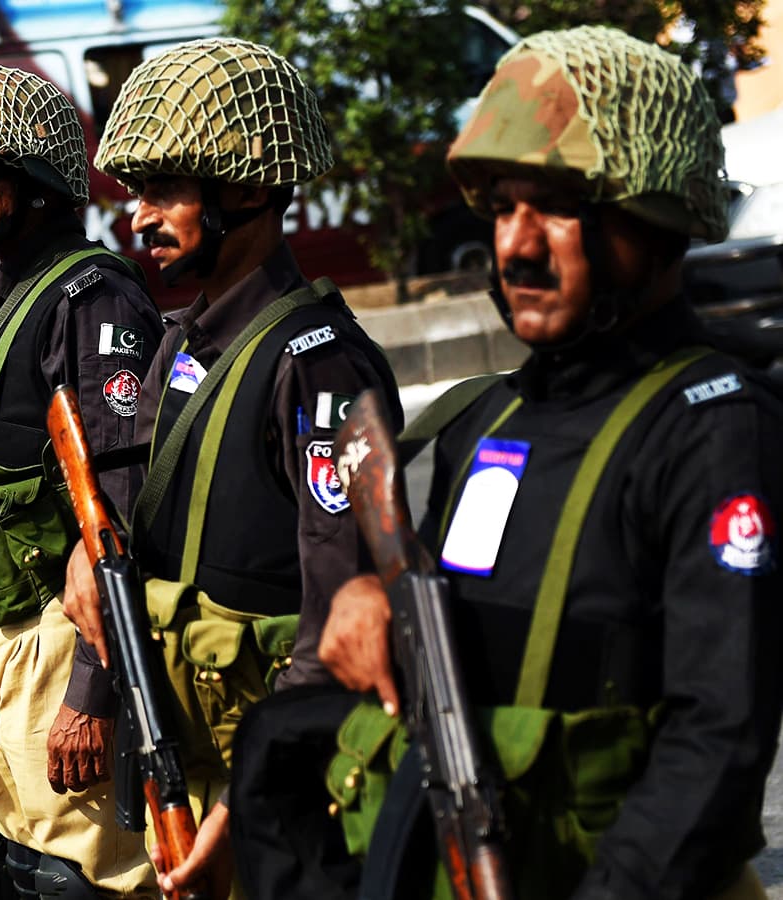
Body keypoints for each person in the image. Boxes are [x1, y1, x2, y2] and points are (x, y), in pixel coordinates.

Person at [313, 26, 781, 900]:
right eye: (501, 208)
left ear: (657, 215)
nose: (517, 246)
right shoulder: (486, 419)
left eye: (558, 206)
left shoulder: (713, 431)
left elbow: (717, 739)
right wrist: (369, 596)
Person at [60, 37, 402, 899]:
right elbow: (128, 512)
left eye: (164, 191)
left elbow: (341, 603)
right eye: (138, 192)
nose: (138, 216)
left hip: (282, 768)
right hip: (191, 749)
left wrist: (255, 786)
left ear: (247, 189)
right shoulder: (182, 338)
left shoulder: (316, 361)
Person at [0, 65, 162, 898]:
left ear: (40, 175)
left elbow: (117, 508)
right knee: (20, 863)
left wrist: (93, 685)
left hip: (49, 634)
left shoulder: (92, 294)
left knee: (85, 875)